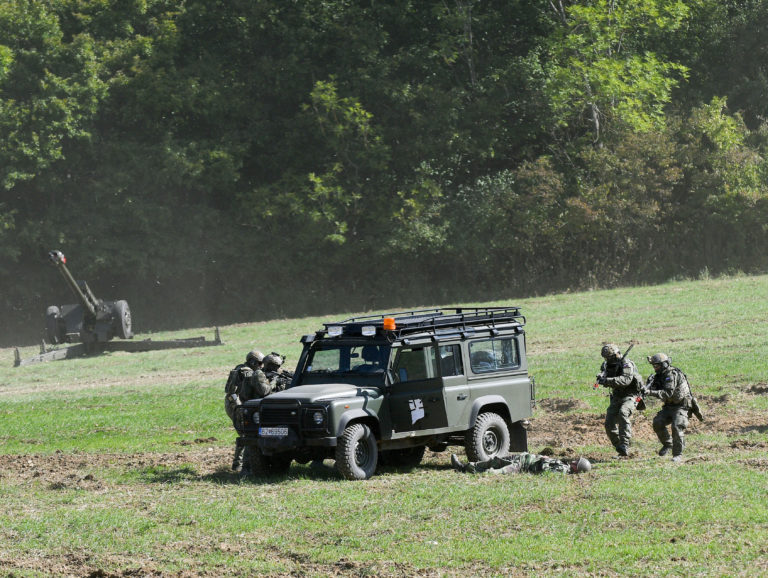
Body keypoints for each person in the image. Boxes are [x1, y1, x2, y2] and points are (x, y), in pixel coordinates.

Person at [596, 343, 644, 457]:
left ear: (616, 354)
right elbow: (605, 373)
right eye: (606, 358)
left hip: (632, 395)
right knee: (609, 422)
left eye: (609, 357)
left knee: (623, 413)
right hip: (617, 396)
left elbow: (625, 380)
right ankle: (620, 447)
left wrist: (608, 381)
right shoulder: (606, 365)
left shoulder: (626, 364)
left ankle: (625, 444)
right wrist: (601, 377)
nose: (608, 360)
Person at [643, 353, 692, 462]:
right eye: (654, 366)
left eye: (657, 365)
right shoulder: (659, 375)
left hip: (681, 406)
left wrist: (650, 392)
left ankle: (677, 454)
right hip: (669, 406)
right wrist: (648, 386)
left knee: (676, 426)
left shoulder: (671, 375)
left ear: (664, 364)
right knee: (657, 422)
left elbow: (667, 393)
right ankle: (668, 444)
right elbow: (657, 389)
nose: (655, 368)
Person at [225, 349, 265, 471]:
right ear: (253, 362)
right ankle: (241, 464)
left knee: (245, 432)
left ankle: (239, 464)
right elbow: (235, 393)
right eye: (260, 363)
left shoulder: (239, 368)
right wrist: (240, 408)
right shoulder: (246, 372)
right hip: (236, 404)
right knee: (246, 433)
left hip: (233, 403)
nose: (261, 366)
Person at [450, 452, 591, 475]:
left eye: (577, 462)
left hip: (523, 465)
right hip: (522, 458)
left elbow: (545, 471)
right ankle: (463, 467)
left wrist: (544, 460)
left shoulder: (563, 470)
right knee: (493, 461)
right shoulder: (564, 465)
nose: (574, 460)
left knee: (495, 471)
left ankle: (478, 473)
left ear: (577, 468)